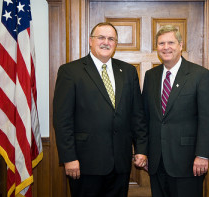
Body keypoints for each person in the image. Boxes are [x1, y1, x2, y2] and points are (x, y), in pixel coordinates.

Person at [53, 22, 148, 197]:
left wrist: (141, 148)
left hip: (120, 164)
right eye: (101, 37)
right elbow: (62, 120)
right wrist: (69, 158)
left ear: (116, 43)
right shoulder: (70, 71)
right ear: (90, 41)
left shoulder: (127, 71)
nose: (106, 42)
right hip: (84, 163)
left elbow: (137, 115)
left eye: (111, 39)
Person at [142, 25, 209, 197]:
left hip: (188, 161)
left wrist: (202, 155)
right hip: (156, 161)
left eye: (171, 42)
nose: (166, 47)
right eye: (161, 43)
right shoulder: (151, 76)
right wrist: (145, 152)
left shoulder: (200, 75)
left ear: (181, 45)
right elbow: (145, 117)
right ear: (157, 47)